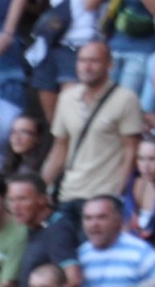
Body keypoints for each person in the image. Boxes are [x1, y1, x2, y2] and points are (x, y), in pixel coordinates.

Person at [44, 41, 143, 209]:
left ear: (109, 64)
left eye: (94, 61)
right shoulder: (66, 98)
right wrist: (42, 187)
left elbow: (131, 150)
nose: (86, 67)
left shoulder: (126, 99)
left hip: (104, 197)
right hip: (69, 194)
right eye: (82, 61)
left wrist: (119, 193)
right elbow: (59, 147)